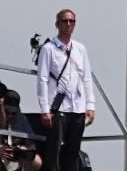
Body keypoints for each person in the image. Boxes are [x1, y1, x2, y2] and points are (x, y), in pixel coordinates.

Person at [36, 10, 95, 171]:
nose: (68, 24)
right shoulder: (48, 49)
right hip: (58, 108)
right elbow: (42, 79)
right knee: (53, 150)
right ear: (57, 24)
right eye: (65, 21)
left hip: (78, 107)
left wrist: (90, 106)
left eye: (72, 21)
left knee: (73, 151)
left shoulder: (80, 49)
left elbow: (86, 78)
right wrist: (44, 109)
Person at [0, 83, 42, 170]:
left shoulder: (21, 119)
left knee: (37, 160)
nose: (11, 116)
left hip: (14, 157)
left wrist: (24, 150)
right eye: (7, 112)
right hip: (2, 156)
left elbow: (31, 144)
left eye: (14, 113)